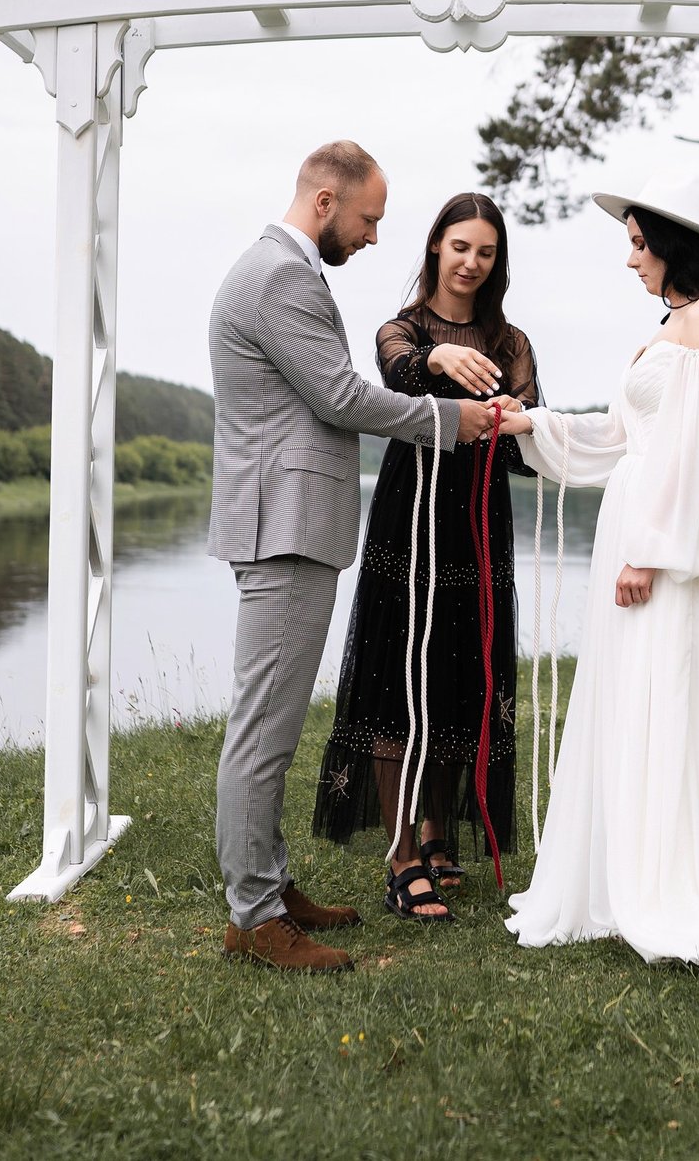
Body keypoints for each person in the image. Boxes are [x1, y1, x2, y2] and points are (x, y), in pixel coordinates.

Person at [499, 173, 699, 965]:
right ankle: (629, 870)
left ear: (678, 246)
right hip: (639, 525)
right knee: (632, 693)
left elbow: (694, 455)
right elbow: (625, 437)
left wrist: (650, 551)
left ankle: (677, 880)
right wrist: (530, 423)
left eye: (641, 244)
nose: (632, 259)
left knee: (670, 689)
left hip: (670, 544)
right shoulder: (679, 322)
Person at [207, 143, 496, 973]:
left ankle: (267, 888)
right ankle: (256, 916)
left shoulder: (282, 270)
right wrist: (449, 420)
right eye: (369, 219)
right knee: (263, 733)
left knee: (270, 726)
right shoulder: (280, 276)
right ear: (326, 201)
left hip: (287, 522)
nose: (373, 237)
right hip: (283, 526)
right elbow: (339, 395)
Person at [313, 193, 539, 921]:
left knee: (460, 675)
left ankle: (438, 832)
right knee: (395, 679)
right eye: (460, 246)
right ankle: (402, 856)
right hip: (408, 520)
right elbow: (398, 378)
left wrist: (517, 423)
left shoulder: (511, 343)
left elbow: (524, 452)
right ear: (437, 246)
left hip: (480, 524)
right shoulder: (401, 329)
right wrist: (436, 354)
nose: (472, 262)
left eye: (486, 252)